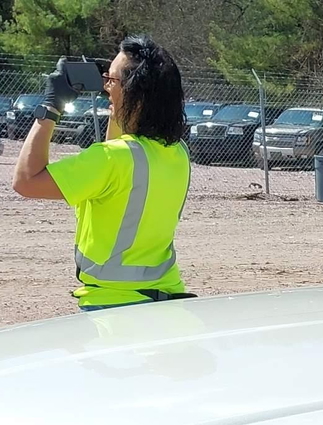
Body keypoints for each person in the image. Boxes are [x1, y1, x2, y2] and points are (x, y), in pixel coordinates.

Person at [12, 35, 191, 310]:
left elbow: (26, 181)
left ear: (137, 94)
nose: (106, 85)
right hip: (167, 297)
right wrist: (118, 106)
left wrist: (50, 106)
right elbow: (123, 145)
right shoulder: (177, 153)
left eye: (113, 80)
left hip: (112, 304)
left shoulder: (111, 160)